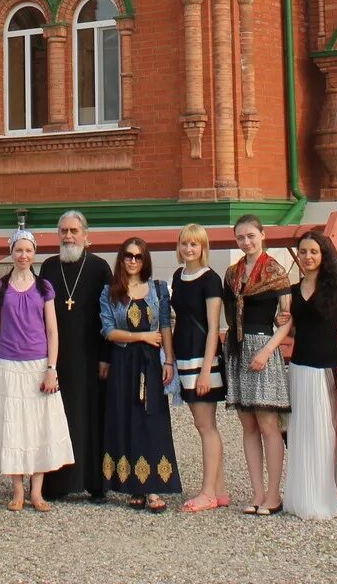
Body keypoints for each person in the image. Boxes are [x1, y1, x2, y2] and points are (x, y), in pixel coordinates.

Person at [252, 230, 337, 521]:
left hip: (327, 370)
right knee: (300, 435)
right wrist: (282, 321)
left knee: (327, 435)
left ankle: (329, 497)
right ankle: (301, 497)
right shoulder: (294, 292)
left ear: (323, 255)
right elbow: (297, 330)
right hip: (299, 370)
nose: (308, 257)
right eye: (303, 252)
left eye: (313, 251)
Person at [0, 228, 75, 511]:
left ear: (34, 254)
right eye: (19, 250)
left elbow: (52, 331)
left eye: (28, 250)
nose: (23, 255)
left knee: (38, 427)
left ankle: (37, 491)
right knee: (13, 427)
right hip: (9, 364)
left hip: (37, 365)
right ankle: (17, 490)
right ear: (12, 253)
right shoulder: (0, 287)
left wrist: (52, 368)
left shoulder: (44, 287)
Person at [99, 237, 183, 512]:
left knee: (152, 420)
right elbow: (109, 331)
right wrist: (143, 336)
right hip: (124, 362)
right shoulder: (109, 291)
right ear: (121, 258)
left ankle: (154, 488)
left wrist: (169, 360)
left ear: (145, 259)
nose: (133, 261)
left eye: (138, 256)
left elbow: (166, 328)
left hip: (151, 362)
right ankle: (134, 487)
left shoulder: (158, 289)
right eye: (128, 256)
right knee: (126, 419)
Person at [36, 209, 110, 502]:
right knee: (56, 417)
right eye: (63, 231)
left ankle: (94, 482)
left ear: (85, 235)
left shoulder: (100, 267)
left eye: (73, 231)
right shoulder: (49, 268)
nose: (68, 236)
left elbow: (108, 316)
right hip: (57, 358)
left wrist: (106, 356)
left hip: (91, 356)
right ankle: (57, 484)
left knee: (90, 417)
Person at [222, 212, 292, 516]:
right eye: (241, 237)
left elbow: (287, 320)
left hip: (263, 347)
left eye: (251, 235)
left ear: (262, 235)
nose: (246, 241)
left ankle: (274, 494)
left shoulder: (276, 270)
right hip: (237, 349)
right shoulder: (232, 273)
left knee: (267, 424)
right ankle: (257, 493)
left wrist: (266, 351)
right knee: (247, 424)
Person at [169, 222, 230, 513]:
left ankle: (208, 491)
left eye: (194, 244)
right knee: (202, 424)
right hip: (183, 355)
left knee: (206, 426)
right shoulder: (178, 277)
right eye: (184, 243)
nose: (188, 248)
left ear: (203, 247)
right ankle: (219, 488)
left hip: (202, 358)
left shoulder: (211, 279)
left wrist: (207, 369)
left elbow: (213, 327)